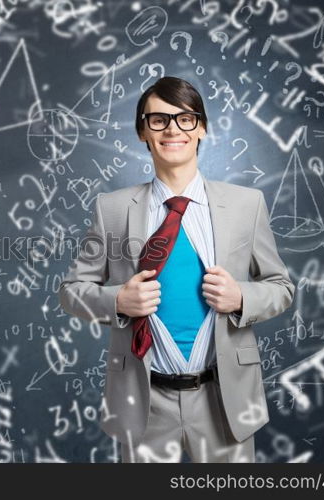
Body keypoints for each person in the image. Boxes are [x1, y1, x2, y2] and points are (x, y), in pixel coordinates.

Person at [58, 76, 295, 462]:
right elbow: (72, 291)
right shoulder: (113, 208)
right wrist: (118, 299)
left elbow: (281, 286)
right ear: (142, 132)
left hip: (224, 398)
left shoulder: (246, 204)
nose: (172, 129)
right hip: (143, 399)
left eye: (185, 118)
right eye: (158, 120)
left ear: (202, 127)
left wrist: (241, 297)